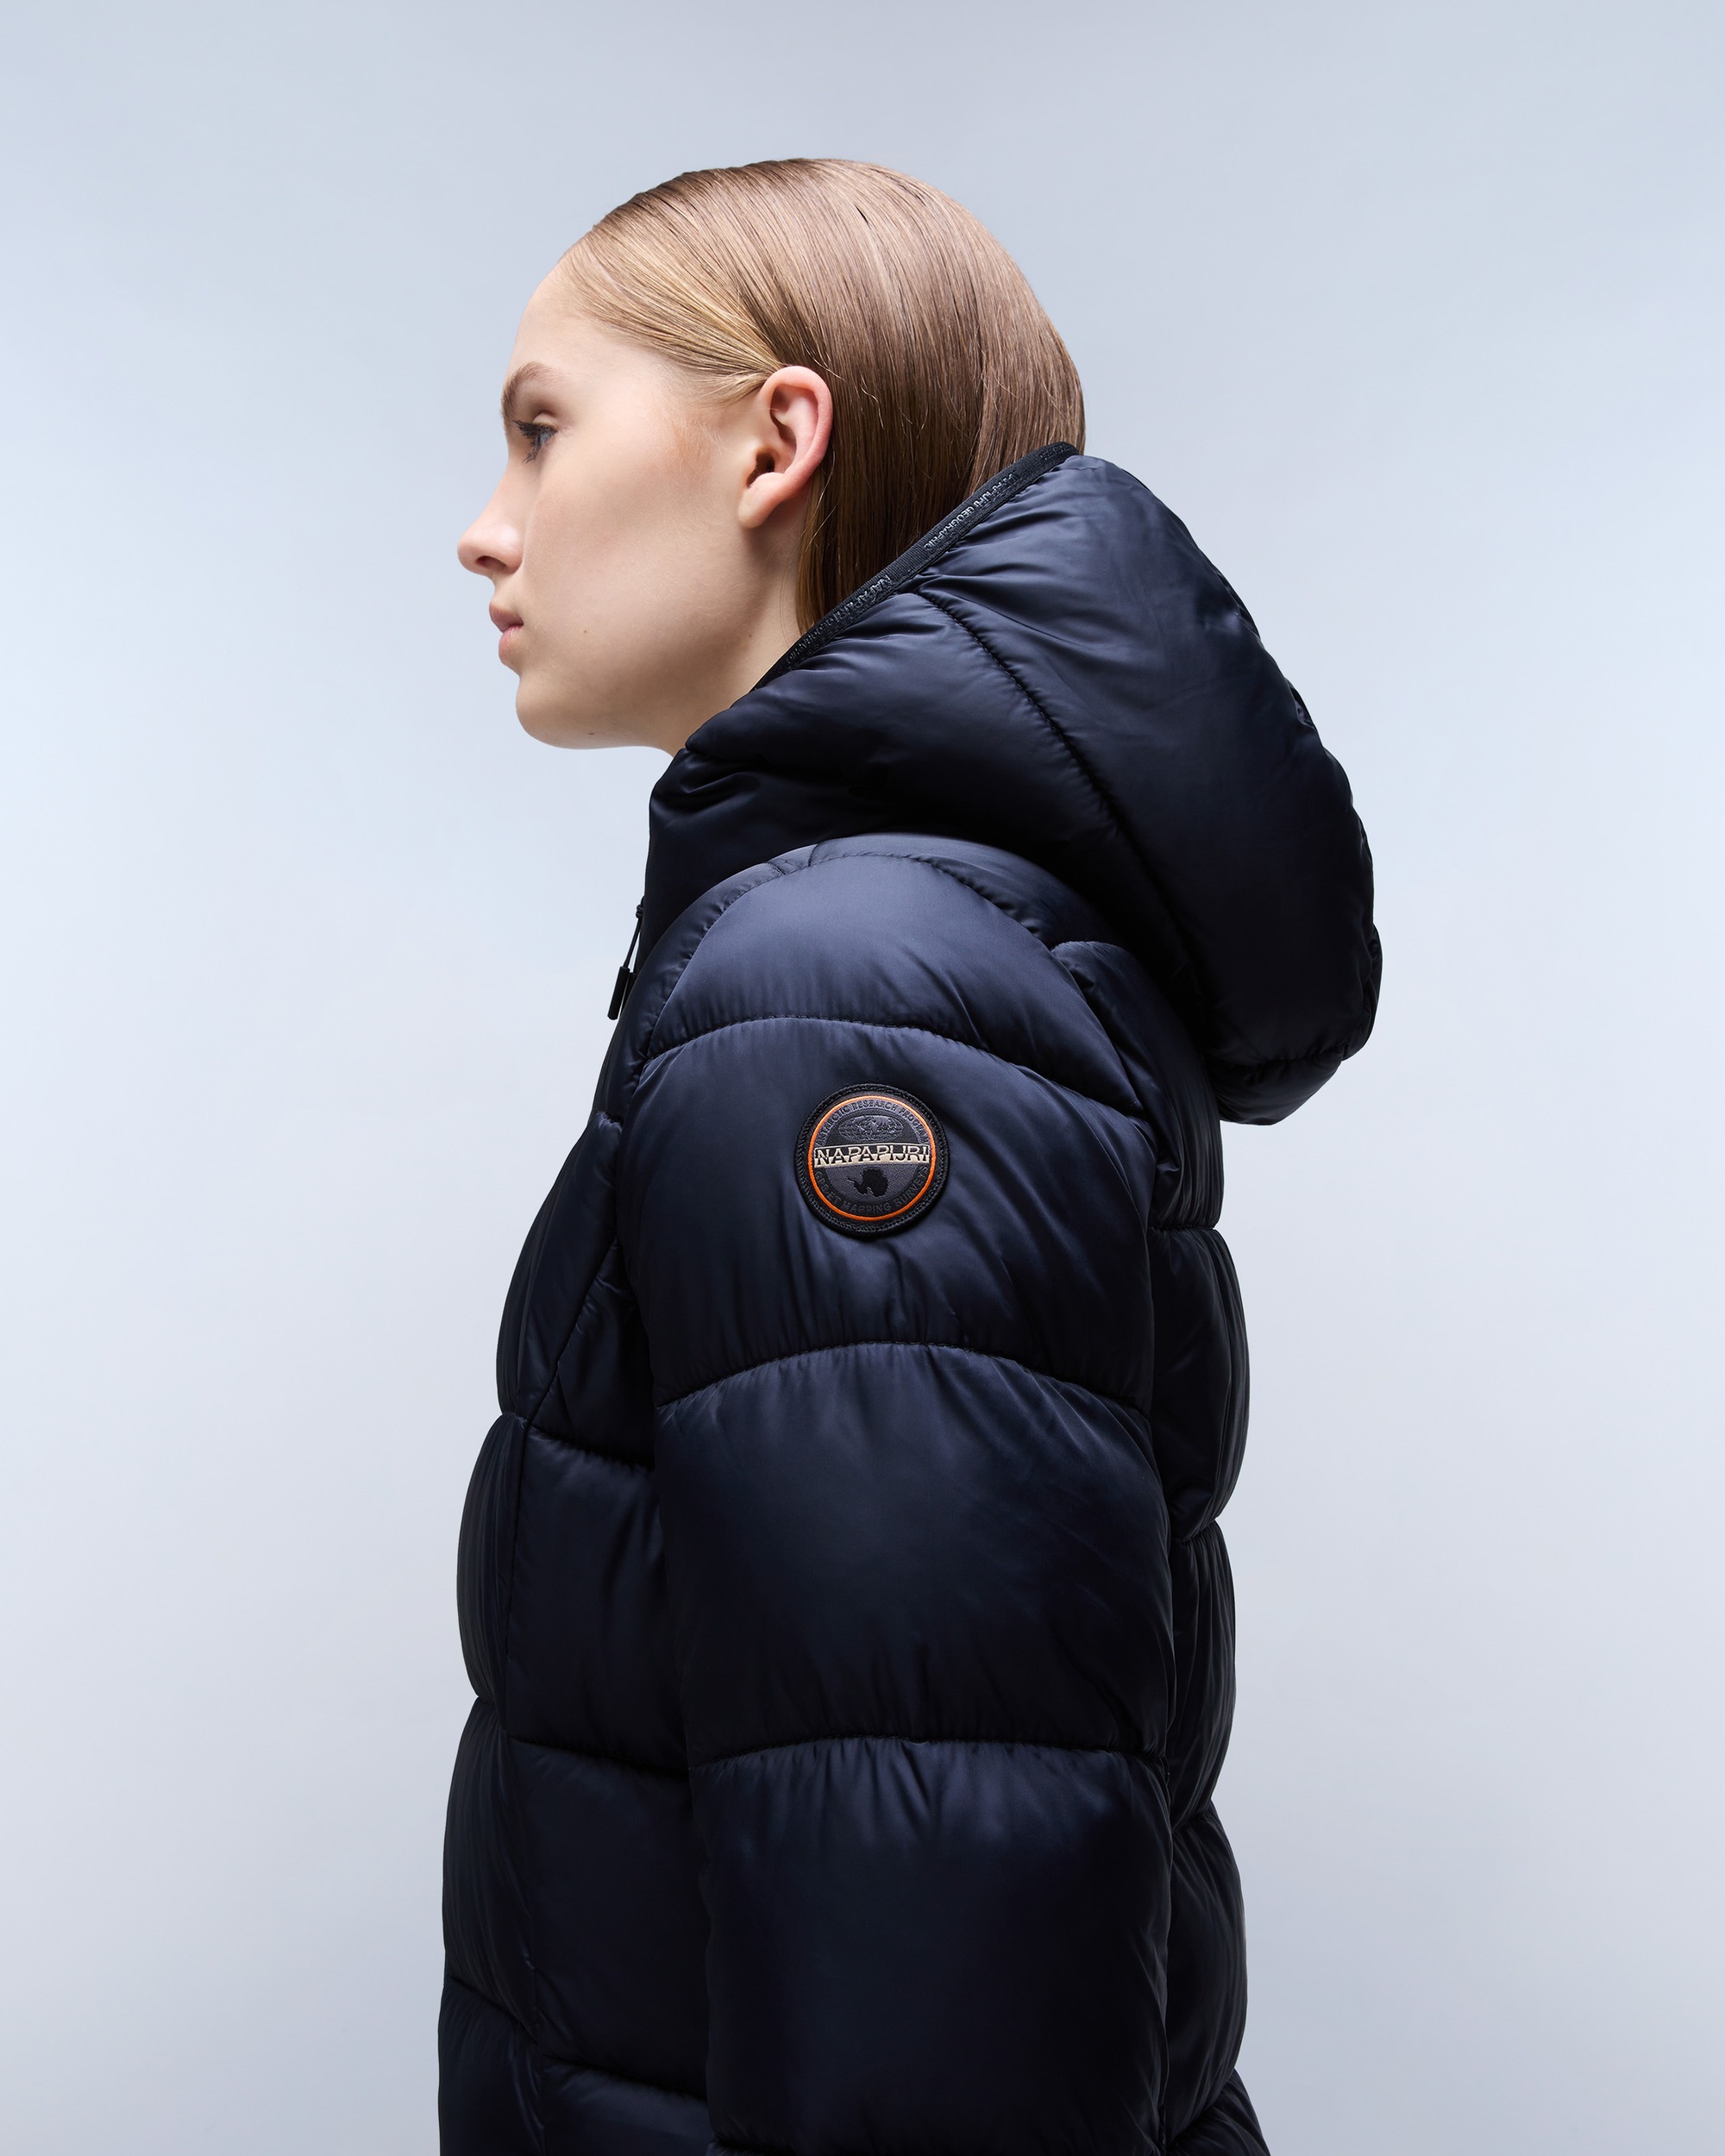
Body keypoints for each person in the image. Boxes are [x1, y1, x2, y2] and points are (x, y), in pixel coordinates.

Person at [448, 159, 1378, 2156]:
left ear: (774, 443)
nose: (486, 524)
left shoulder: (846, 990)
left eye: (540, 428)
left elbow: (933, 1968)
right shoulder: (895, 945)